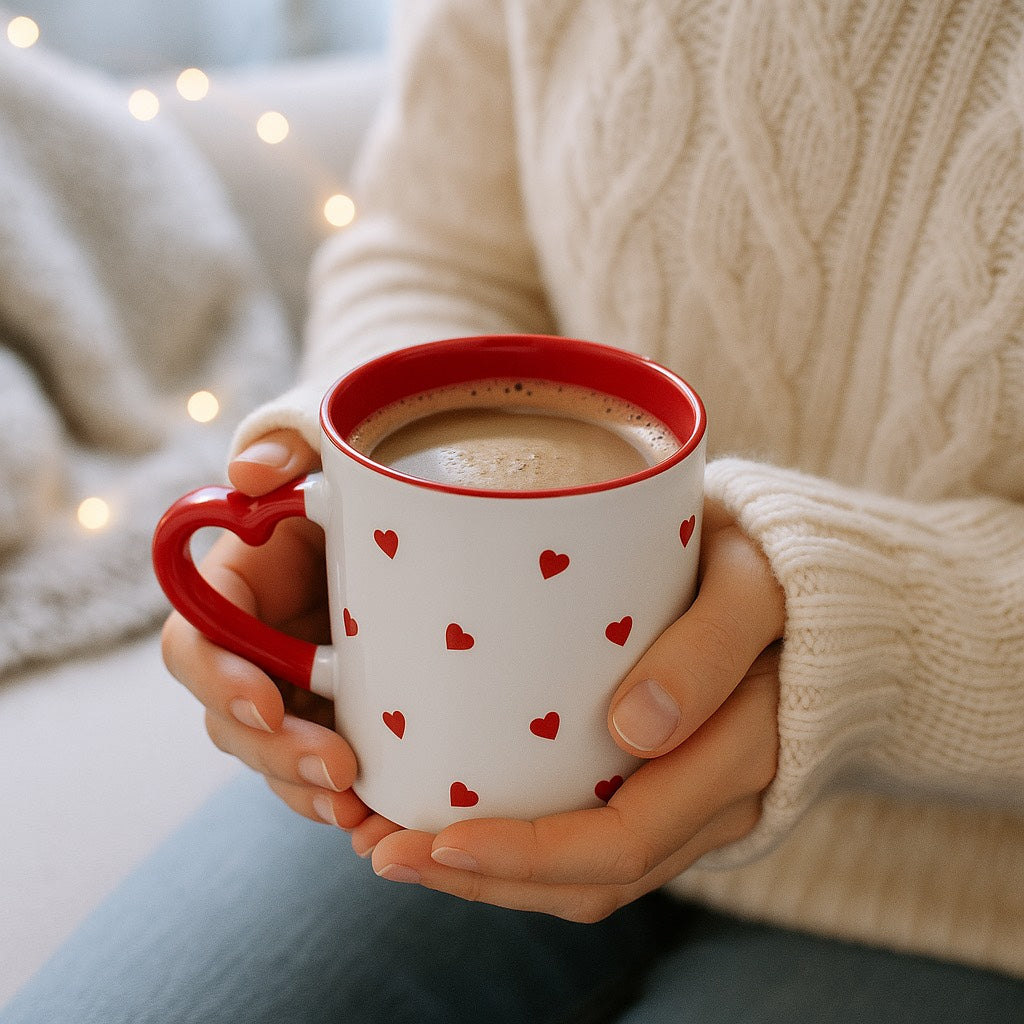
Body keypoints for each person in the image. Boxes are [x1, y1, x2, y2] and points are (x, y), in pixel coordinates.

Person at [5, 1, 1023, 1021]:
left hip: (958, 895)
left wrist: (875, 638)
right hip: (440, 773)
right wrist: (340, 491)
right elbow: (436, 247)